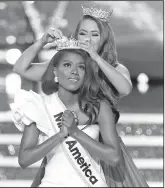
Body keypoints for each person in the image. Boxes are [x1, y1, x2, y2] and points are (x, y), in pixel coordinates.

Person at [10, 37, 148, 187]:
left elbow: (114, 157)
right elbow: (24, 160)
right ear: (55, 70)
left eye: (81, 67)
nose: (74, 71)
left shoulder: (100, 107)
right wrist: (60, 135)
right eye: (67, 65)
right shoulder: (40, 105)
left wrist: (75, 132)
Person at [13, 5, 132, 103]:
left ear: (105, 38)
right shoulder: (64, 65)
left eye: (94, 34)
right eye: (83, 33)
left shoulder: (116, 69)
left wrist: (96, 58)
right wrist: (41, 42)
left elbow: (125, 90)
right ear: (76, 36)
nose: (87, 39)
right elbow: (20, 68)